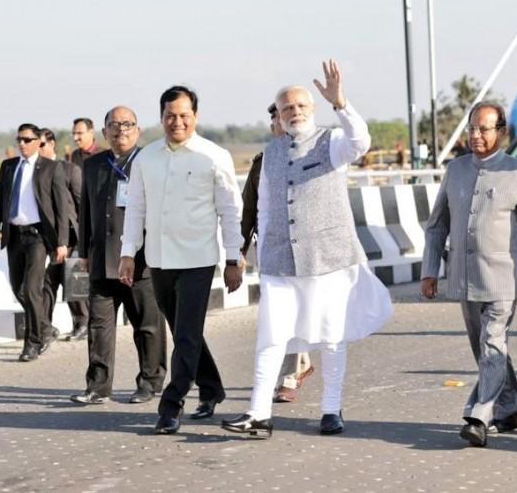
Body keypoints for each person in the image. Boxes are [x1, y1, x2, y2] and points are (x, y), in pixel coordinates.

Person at [221, 59, 393, 438]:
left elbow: (361, 142)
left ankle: (331, 410)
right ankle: (258, 413)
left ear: (311, 108)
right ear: (278, 117)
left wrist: (341, 103)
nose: (294, 112)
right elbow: (263, 208)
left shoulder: (332, 142)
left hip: (329, 258)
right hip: (280, 261)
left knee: (332, 337)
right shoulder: (270, 155)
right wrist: (260, 254)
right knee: (270, 337)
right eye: (286, 108)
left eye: (300, 106)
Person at [419, 102, 517, 448]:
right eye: (472, 128)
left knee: (492, 344)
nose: (476, 135)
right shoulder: (455, 170)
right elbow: (437, 226)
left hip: (503, 280)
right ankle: (511, 405)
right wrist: (430, 270)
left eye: (484, 129)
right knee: (488, 349)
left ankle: (479, 415)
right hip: (463, 277)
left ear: (501, 132)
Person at [119, 85, 243, 435]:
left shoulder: (214, 155)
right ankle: (212, 388)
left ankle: (171, 405)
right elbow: (136, 209)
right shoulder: (146, 158)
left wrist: (233, 258)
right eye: (170, 115)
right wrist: (128, 253)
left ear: (195, 116)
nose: (177, 122)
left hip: (198, 258)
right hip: (159, 259)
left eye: (184, 115)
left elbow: (230, 211)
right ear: (161, 118)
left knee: (186, 336)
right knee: (184, 331)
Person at [70, 106, 167, 405]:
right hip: (101, 260)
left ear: (138, 130)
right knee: (99, 327)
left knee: (147, 325)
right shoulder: (94, 164)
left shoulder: (152, 161)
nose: (120, 130)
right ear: (105, 132)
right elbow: (85, 210)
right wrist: (84, 252)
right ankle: (98, 386)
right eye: (114, 125)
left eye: (127, 124)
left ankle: (150, 381)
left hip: (141, 261)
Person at [240, 102, 315, 404]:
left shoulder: (312, 158)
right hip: (271, 250)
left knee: (298, 312)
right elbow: (248, 208)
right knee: (279, 316)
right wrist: (239, 251)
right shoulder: (262, 161)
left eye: (281, 114)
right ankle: (298, 365)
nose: (276, 120)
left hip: (306, 250)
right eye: (272, 116)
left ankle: (289, 375)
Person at [0, 124, 72, 362]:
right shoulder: (8, 167)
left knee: (31, 289)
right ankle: (45, 328)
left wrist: (62, 242)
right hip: (14, 235)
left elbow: (61, 208)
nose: (22, 144)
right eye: (19, 140)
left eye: (27, 140)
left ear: (38, 142)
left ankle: (32, 343)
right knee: (18, 288)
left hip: (38, 237)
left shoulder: (51, 168)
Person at [37, 128, 89, 341]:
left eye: (41, 144)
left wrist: (84, 235)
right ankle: (45, 327)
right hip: (49, 237)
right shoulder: (34, 172)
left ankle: (82, 323)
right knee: (49, 282)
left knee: (73, 278)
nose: (37, 149)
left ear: (52, 144)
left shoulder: (68, 169)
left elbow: (81, 204)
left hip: (72, 236)